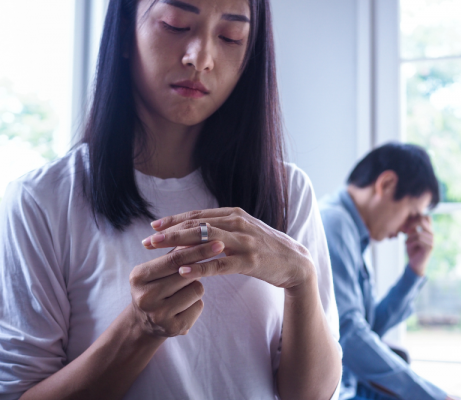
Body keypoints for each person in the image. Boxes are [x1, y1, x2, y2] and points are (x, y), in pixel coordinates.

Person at [0, 0, 342, 399]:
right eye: (176, 25)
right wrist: (138, 330)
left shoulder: (287, 191)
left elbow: (312, 395)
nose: (201, 58)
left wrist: (302, 279)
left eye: (231, 36)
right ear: (126, 31)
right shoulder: (42, 201)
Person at [319, 143, 457, 400]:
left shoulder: (354, 233)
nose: (409, 229)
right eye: (411, 214)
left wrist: (415, 271)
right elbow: (350, 338)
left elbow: (369, 328)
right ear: (387, 184)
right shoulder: (334, 224)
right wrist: (433, 397)